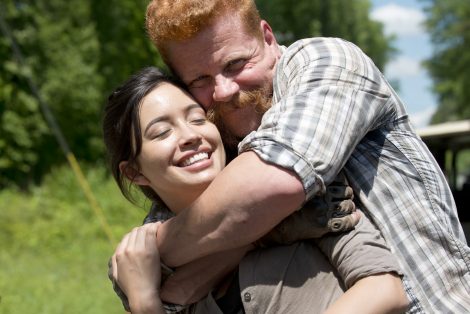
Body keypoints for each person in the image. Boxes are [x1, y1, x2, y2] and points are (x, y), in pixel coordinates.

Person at [143, 1, 470, 313]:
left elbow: (274, 181)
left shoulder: (326, 61)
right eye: (199, 80)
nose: (224, 91)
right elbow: (157, 244)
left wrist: (152, 255)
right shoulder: (213, 134)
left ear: (268, 38)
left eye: (236, 64)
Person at [104, 67, 408, 313]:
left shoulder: (297, 193)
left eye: (197, 118)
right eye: (162, 132)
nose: (189, 135)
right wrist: (145, 304)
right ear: (134, 172)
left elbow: (386, 290)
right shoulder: (145, 264)